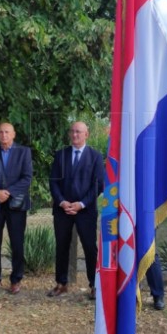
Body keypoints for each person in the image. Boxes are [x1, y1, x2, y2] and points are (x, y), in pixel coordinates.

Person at [48, 121, 104, 299]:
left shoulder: (95, 156)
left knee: (89, 248)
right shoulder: (60, 155)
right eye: (72, 131)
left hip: (85, 211)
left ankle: (94, 285)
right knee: (62, 246)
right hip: (62, 210)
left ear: (86, 134)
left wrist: (81, 204)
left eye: (78, 132)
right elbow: (53, 182)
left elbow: (98, 185)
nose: (75, 135)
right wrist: (62, 202)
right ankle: (61, 283)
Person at [0, 122, 33, 294]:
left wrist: (7, 192)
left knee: (17, 243)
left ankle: (16, 279)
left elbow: (27, 177)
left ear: (14, 134)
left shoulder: (23, 152)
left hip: (16, 205)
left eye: (7, 132)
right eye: (0, 132)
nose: (3, 135)